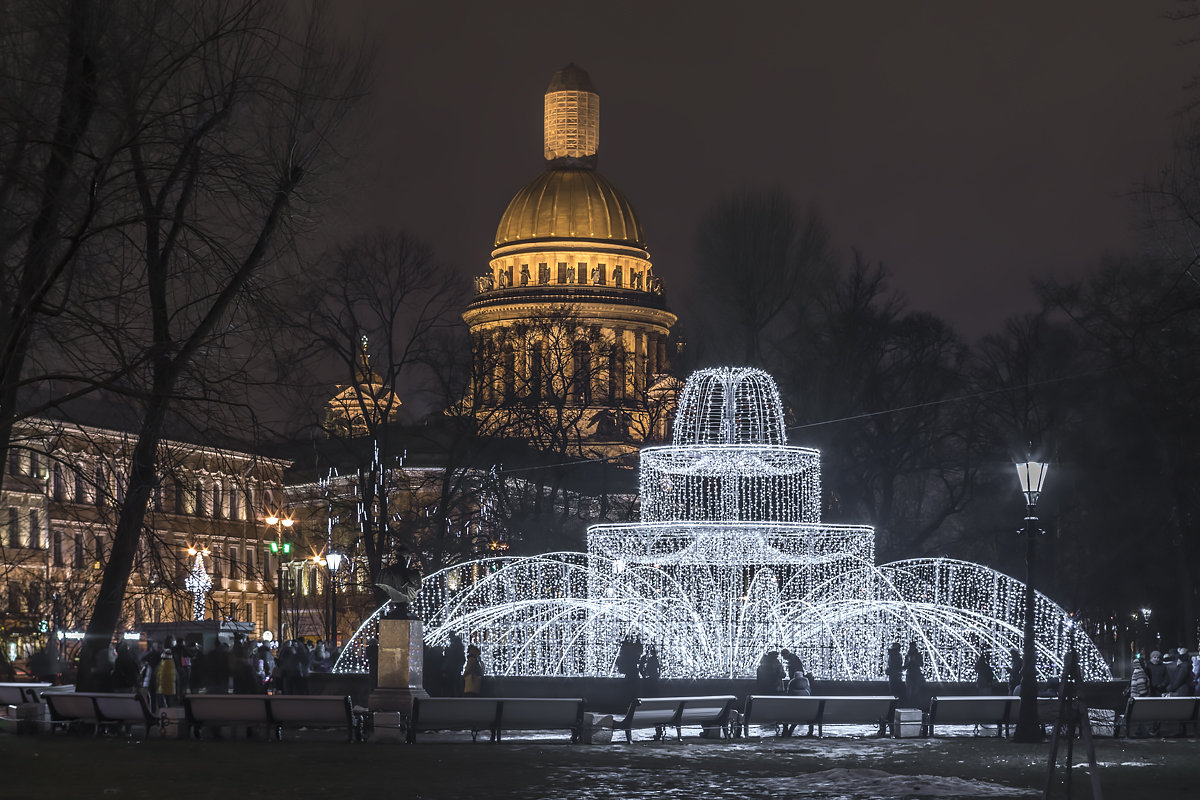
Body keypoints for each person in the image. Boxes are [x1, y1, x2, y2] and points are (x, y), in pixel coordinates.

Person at [1128, 655, 1150, 737]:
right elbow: (1141, 685)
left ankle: (1139, 731)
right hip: (1140, 698)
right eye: (1144, 662)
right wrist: (1145, 693)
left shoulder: (1136, 671)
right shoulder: (1140, 671)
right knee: (1143, 715)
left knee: (1139, 715)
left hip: (1136, 697)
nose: (1145, 663)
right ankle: (1143, 731)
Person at [904, 642, 927, 709]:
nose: (912, 648)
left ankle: (914, 705)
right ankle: (910, 705)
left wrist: (915, 661)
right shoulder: (907, 656)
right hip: (909, 674)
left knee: (915, 691)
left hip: (916, 675)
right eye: (911, 647)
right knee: (909, 691)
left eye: (913, 647)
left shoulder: (918, 655)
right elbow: (905, 666)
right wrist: (908, 663)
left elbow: (921, 664)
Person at [443, 632, 466, 697]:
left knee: (453, 684)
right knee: (457, 683)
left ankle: (454, 696)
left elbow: (451, 658)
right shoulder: (459, 646)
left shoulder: (453, 646)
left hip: (453, 668)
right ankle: (458, 696)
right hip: (457, 668)